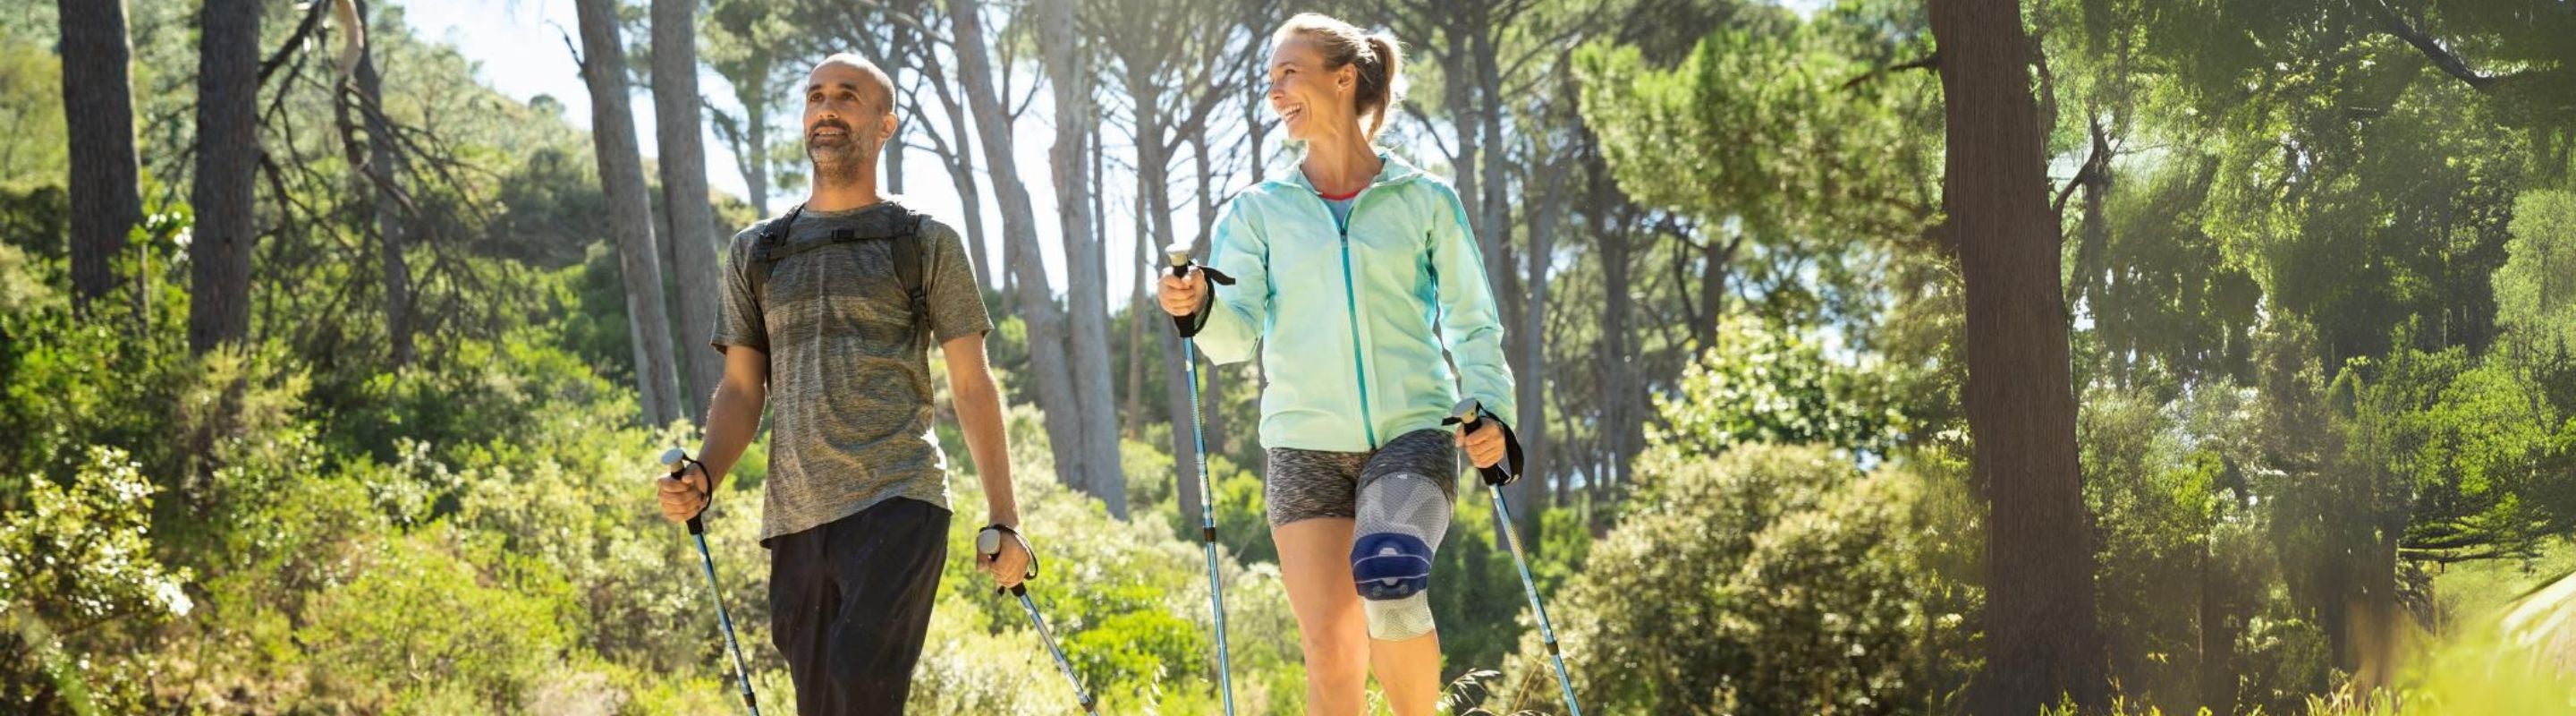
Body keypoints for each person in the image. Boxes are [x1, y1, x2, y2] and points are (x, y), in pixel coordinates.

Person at [1158, 13, 1518, 716]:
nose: (1276, 91)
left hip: (1410, 434)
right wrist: (1194, 304)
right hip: (1303, 448)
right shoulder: (1259, 211)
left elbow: (1474, 321)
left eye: (1289, 73)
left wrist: (1491, 411)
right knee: (1330, 648)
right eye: (1269, 80)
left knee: (1390, 573)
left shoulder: (1424, 200)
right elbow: (1233, 341)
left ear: (1344, 77)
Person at [652, 53, 1031, 715]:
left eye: (847, 97)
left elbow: (971, 385)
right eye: (816, 96)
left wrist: (1005, 517)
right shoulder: (759, 251)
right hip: (796, 514)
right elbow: (742, 390)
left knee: (861, 678)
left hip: (898, 495)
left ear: (885, 124)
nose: (827, 108)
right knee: (821, 701)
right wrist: (706, 477)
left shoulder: (922, 239)